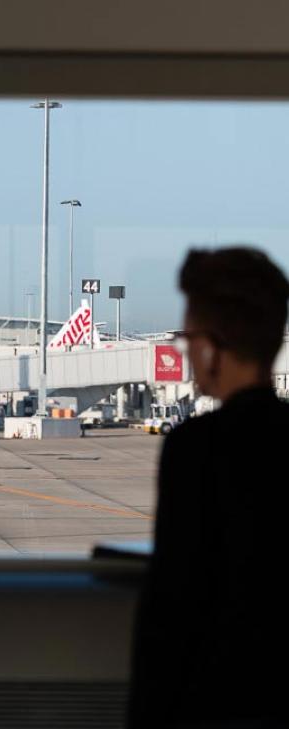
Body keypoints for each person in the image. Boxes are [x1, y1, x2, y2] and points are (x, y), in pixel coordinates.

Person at [129, 247, 289, 728]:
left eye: (189, 339)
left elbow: (171, 609)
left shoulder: (197, 448)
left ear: (213, 348)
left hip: (218, 701)